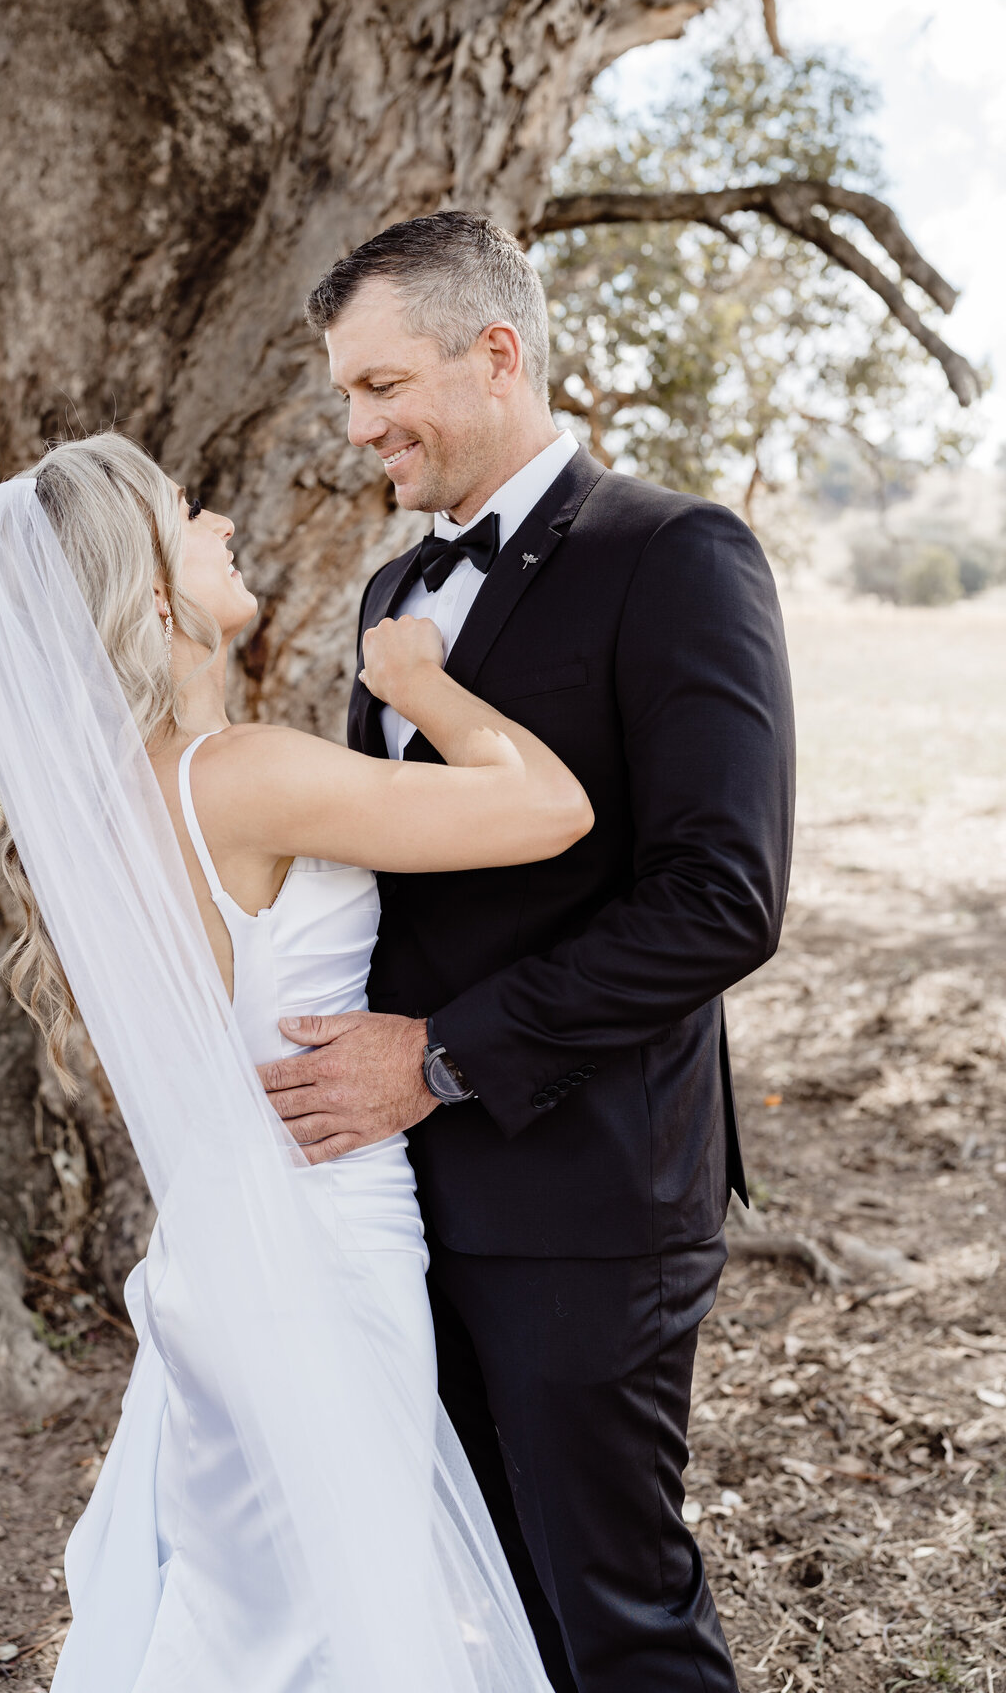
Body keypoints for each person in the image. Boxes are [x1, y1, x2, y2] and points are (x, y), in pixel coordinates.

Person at [0, 430, 593, 1692]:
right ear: (147, 589)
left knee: (248, 1607)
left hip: (215, 1252)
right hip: (324, 1242)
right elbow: (550, 809)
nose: (225, 527)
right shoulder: (241, 778)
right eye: (188, 515)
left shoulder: (106, 801)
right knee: (332, 1625)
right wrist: (425, 689)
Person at [257, 211, 796, 1692]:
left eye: (381, 387)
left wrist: (438, 1058)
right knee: (484, 1604)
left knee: (614, 1616)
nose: (357, 427)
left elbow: (722, 896)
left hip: (589, 1190)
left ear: (497, 353)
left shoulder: (676, 555)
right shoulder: (390, 597)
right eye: (346, 396)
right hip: (401, 1200)